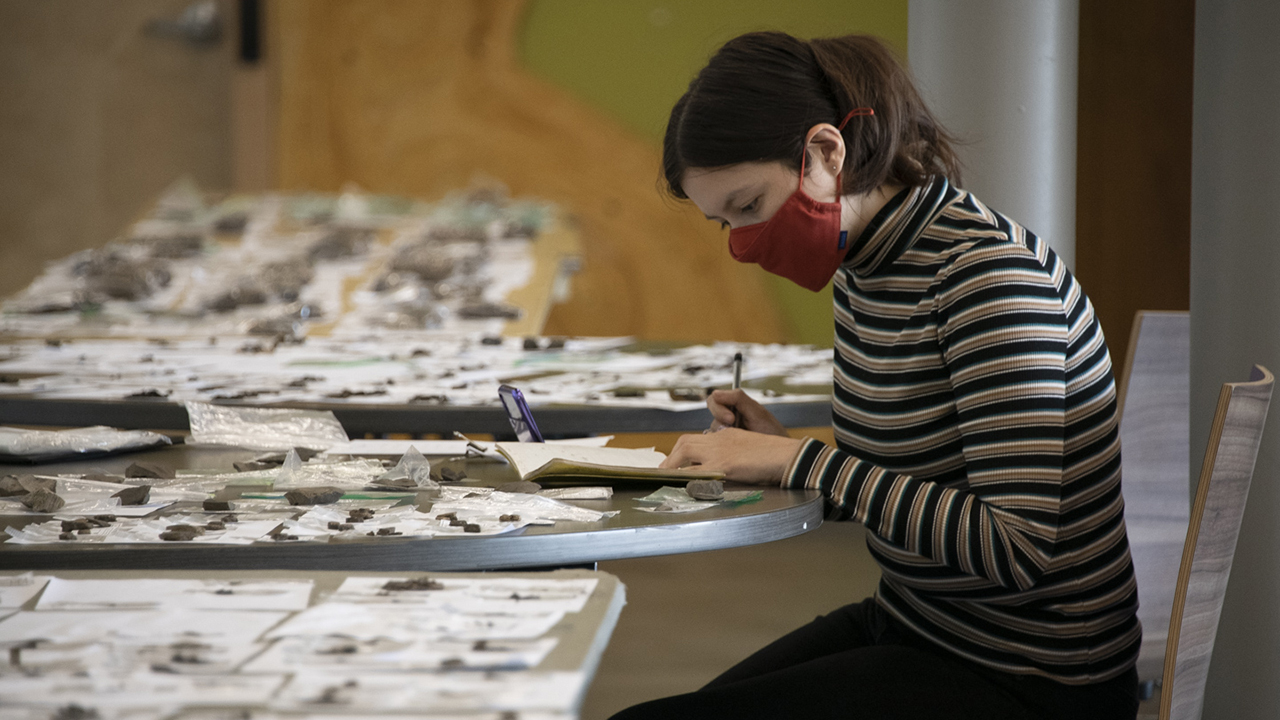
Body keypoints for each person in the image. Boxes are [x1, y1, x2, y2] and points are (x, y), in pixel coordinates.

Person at [613, 32, 1141, 720]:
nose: (742, 245)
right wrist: (780, 459)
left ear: (828, 153)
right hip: (923, 626)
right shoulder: (869, 268)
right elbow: (914, 491)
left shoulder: (987, 278)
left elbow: (1017, 548)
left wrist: (805, 462)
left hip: (1029, 678)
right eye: (723, 225)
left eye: (748, 206)